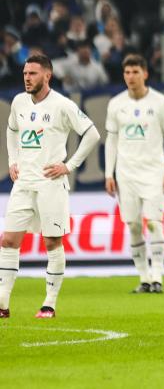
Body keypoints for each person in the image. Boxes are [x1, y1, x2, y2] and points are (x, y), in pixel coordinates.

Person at [0, 53, 100, 319]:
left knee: (52, 242)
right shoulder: (19, 102)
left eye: (32, 73)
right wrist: (13, 160)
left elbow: (92, 133)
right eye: (24, 74)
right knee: (8, 240)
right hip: (23, 183)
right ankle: (2, 304)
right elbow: (11, 130)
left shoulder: (62, 105)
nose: (27, 78)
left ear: (47, 75)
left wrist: (69, 165)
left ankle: (49, 304)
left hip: (51, 185)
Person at [104, 54, 164, 294]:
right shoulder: (116, 104)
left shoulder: (160, 102)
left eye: (135, 72)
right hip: (126, 174)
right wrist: (109, 174)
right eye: (127, 73)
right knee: (134, 226)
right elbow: (111, 140)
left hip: (154, 172)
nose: (131, 77)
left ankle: (157, 276)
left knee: (155, 223)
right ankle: (144, 278)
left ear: (145, 73)